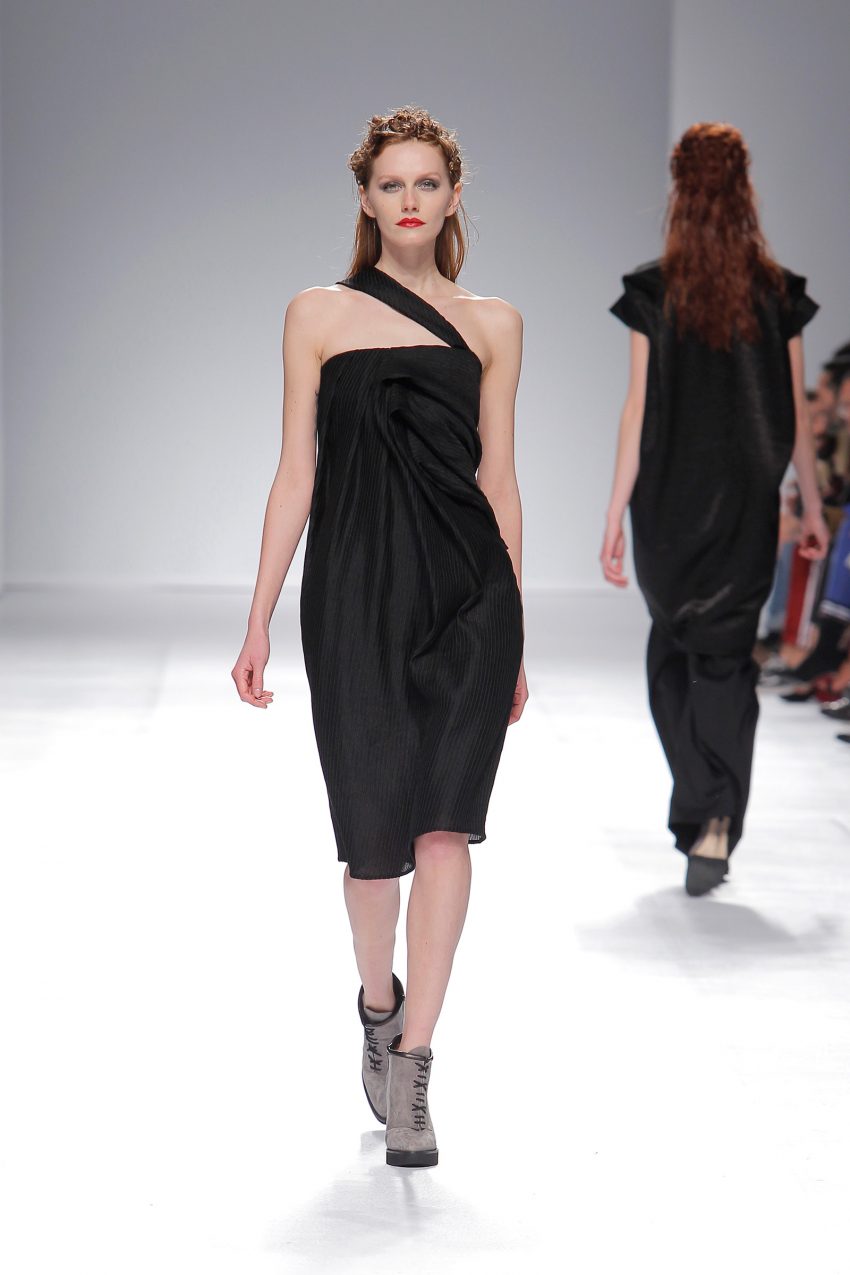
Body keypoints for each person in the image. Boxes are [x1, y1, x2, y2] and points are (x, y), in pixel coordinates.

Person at [231, 106, 526, 1166]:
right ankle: (376, 1001)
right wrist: (259, 617)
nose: (410, 200)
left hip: (469, 596)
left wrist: (518, 631)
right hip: (354, 594)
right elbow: (296, 474)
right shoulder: (317, 313)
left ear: (452, 197)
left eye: (427, 183)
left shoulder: (495, 324)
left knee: (445, 829)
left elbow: (499, 479)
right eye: (391, 183)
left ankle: (415, 1064)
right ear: (365, 197)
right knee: (371, 846)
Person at [601, 122, 829, 897]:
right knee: (724, 665)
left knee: (671, 654)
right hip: (743, 505)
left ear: (678, 187)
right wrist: (812, 503)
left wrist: (614, 512)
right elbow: (794, 413)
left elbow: (636, 409)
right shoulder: (777, 292)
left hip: (667, 506)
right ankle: (715, 815)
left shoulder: (654, 291)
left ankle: (704, 804)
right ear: (745, 188)